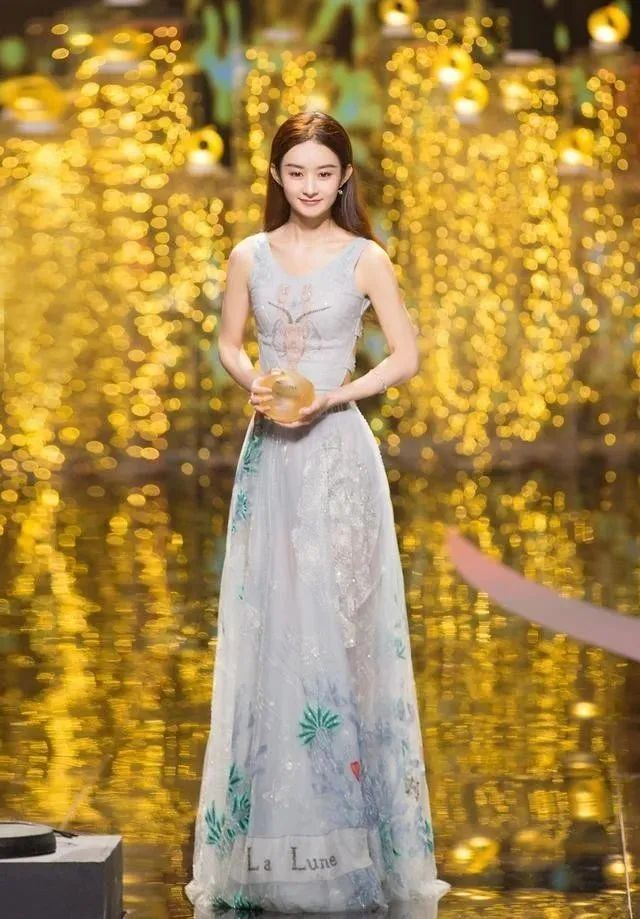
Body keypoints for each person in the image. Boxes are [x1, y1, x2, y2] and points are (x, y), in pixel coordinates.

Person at [185, 110, 451, 915]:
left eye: (324, 173)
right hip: (271, 457)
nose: (309, 186)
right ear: (276, 175)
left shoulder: (366, 258)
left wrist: (335, 393)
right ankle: (273, 845)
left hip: (338, 457)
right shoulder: (249, 255)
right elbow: (229, 343)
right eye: (296, 171)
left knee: (342, 632)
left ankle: (352, 841)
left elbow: (406, 354)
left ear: (344, 179)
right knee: (272, 628)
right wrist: (254, 381)